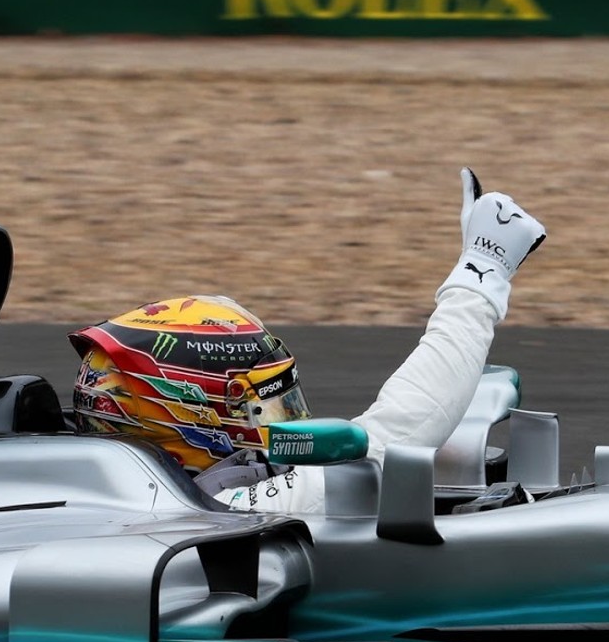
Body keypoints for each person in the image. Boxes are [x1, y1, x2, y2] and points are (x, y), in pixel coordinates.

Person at [67, 167, 546, 514]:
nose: (290, 422)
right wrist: (481, 276)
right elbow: (396, 438)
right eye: (262, 407)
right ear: (191, 413)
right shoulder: (227, 506)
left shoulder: (109, 498)